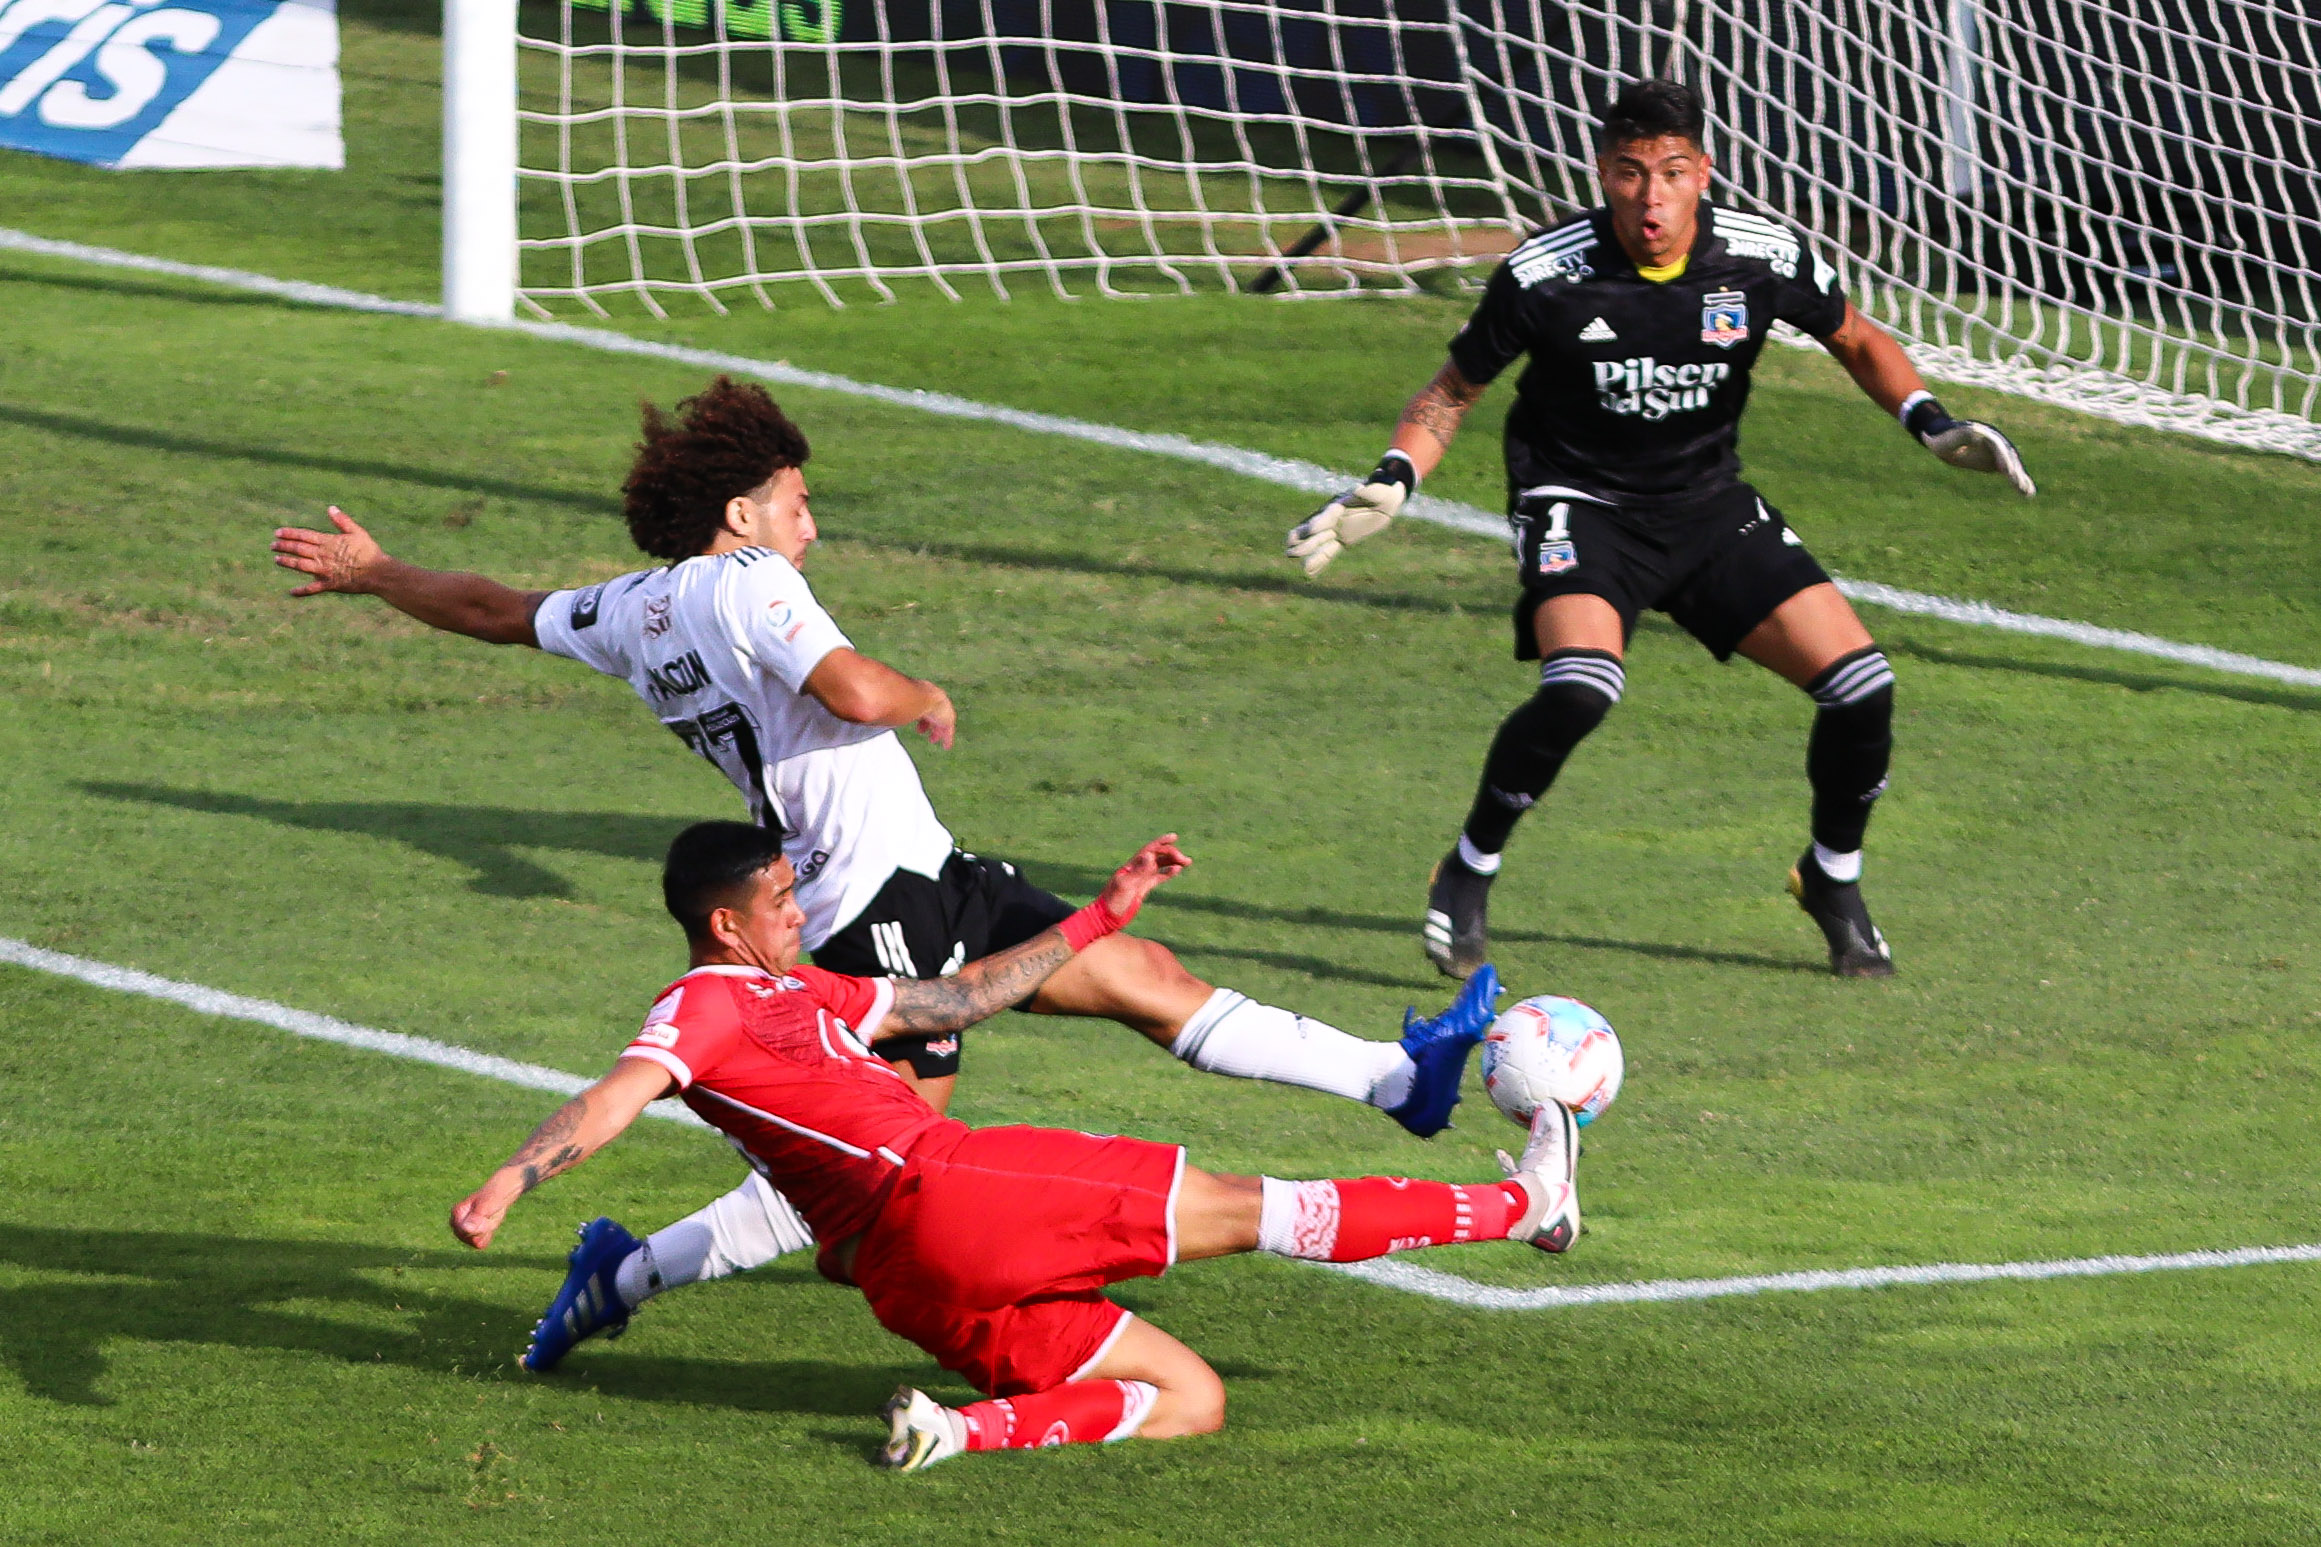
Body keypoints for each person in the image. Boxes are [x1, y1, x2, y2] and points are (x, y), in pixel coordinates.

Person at [271, 377, 1499, 1371]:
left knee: (1136, 970)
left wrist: (378, 573)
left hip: (918, 869)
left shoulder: (628, 607)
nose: (811, 523)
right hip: (864, 902)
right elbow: (852, 691)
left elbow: (494, 607)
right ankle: (625, 1273)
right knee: (885, 1198)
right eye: (796, 500)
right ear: (743, 512)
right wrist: (924, 696)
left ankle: (1398, 1080)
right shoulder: (751, 581)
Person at [449, 822, 1584, 1469]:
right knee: (1254, 1207)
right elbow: (615, 1095)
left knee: (1188, 1395)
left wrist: (1095, 920)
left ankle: (954, 1431)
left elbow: (951, 1000)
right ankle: (1523, 1205)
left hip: (908, 1281)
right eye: (781, 898)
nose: (799, 909)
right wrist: (513, 1175)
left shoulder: (801, 987)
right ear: (724, 923)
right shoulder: (703, 1000)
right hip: (948, 1188)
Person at [1285, 79, 2036, 982]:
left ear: (1702, 174)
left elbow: (1856, 338)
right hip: (1578, 502)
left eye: (1671, 174)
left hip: (1706, 504)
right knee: (1582, 686)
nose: (1651, 198)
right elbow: (1450, 393)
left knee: (1862, 688)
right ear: (1603, 174)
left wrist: (1930, 421)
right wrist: (1394, 479)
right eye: (1631, 174)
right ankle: (1468, 867)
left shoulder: (1759, 257)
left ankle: (1831, 878)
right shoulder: (1543, 273)